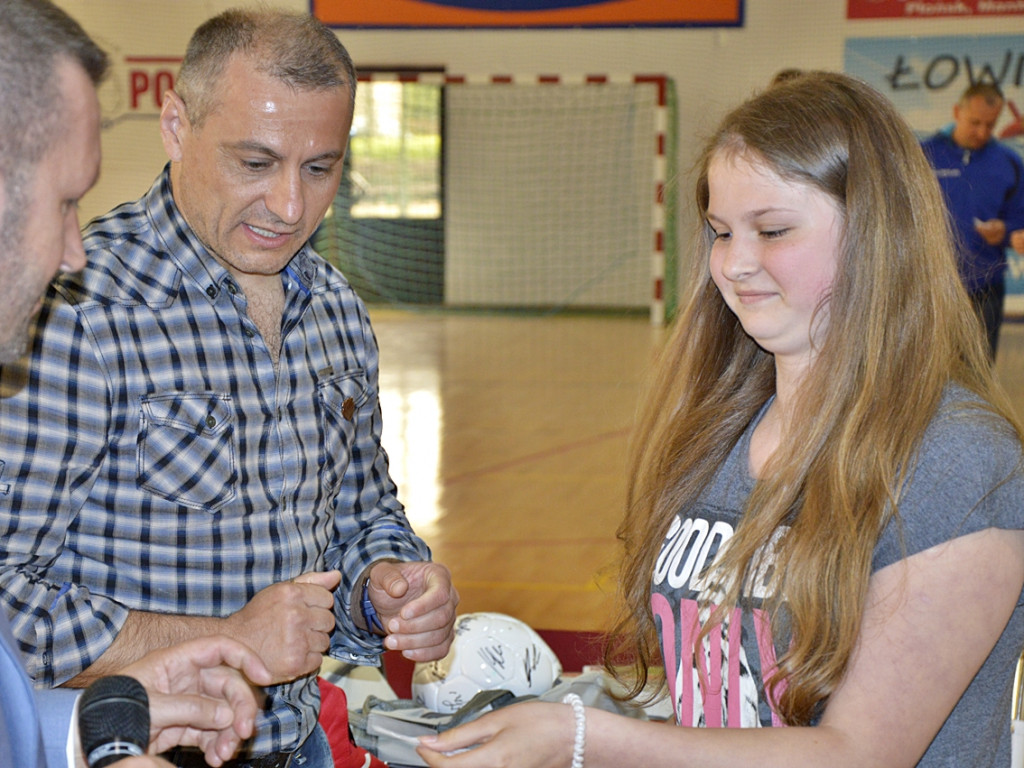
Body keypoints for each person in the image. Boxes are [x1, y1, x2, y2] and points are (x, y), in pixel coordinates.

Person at [417, 72, 1024, 768]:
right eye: (720, 231)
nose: (734, 264)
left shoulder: (960, 462)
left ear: (876, 236)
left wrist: (583, 736)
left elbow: (860, 754)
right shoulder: (724, 429)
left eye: (772, 230)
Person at [0, 6, 458, 767]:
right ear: (177, 126)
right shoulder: (75, 310)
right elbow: (6, 597)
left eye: (320, 169)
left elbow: (363, 511)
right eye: (255, 162)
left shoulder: (335, 308)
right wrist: (222, 638)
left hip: (301, 745)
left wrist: (386, 584)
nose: (289, 206)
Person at [0, 2, 276, 767]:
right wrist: (216, 636)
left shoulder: (330, 304)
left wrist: (84, 728)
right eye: (64, 203)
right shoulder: (82, 325)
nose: (73, 253)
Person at [921, 82, 1024, 360]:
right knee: (927, 372)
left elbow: (1018, 221)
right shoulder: (922, 155)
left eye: (990, 125)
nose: (982, 132)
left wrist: (1007, 232)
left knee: (979, 373)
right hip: (929, 287)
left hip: (985, 288)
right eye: (975, 122)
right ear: (957, 112)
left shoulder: (1010, 162)